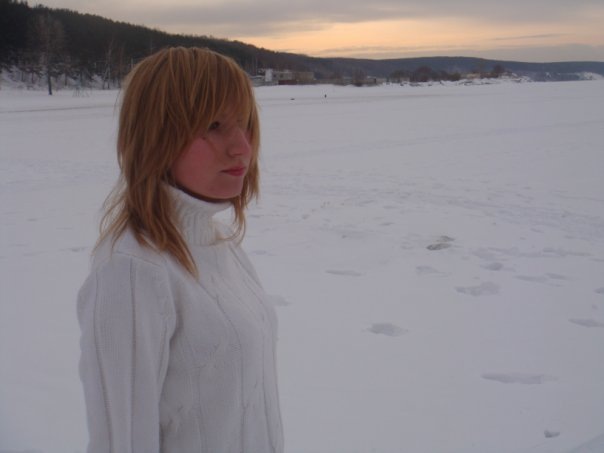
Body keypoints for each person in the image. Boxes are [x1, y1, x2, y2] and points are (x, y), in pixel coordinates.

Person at [77, 47, 284, 453]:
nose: (241, 147)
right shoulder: (132, 271)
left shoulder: (220, 246)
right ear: (156, 137)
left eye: (245, 123)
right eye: (213, 125)